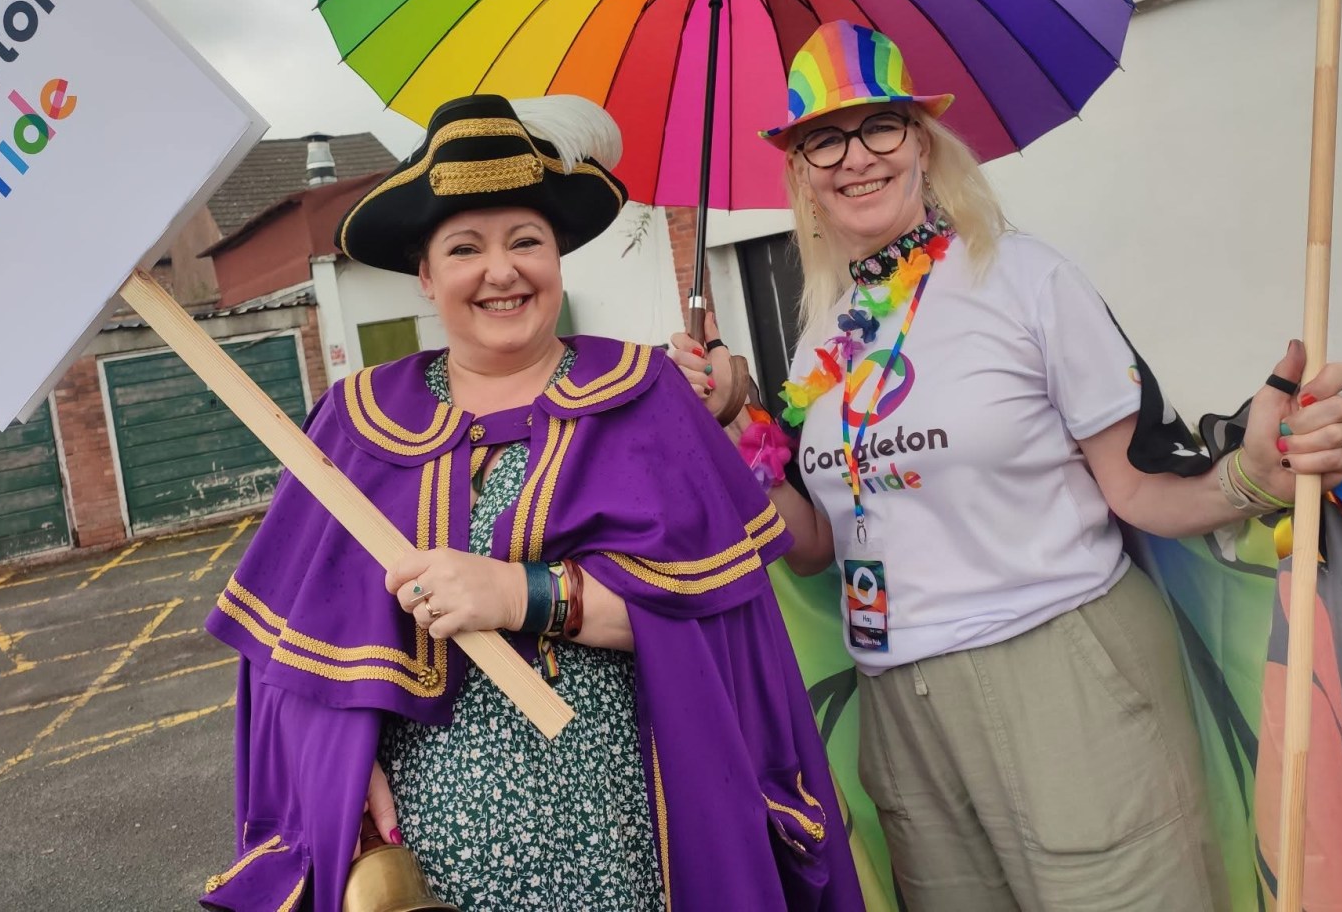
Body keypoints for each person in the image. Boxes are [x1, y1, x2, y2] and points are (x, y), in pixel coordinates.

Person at [669, 21, 1342, 912]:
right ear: (802, 172)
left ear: (922, 141)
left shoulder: (1026, 280)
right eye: (824, 140)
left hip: (1061, 669)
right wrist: (737, 424)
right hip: (902, 706)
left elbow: (1136, 489)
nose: (856, 157)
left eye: (879, 125)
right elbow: (812, 549)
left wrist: (1254, 477)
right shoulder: (823, 341)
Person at [200, 94, 865, 912]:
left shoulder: (647, 397)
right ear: (426, 275)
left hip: (629, 841)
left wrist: (523, 594)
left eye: (526, 241)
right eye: (464, 248)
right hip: (429, 864)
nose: (502, 270)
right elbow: (290, 657)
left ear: (558, 256)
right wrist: (335, 760)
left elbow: (722, 627)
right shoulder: (355, 422)